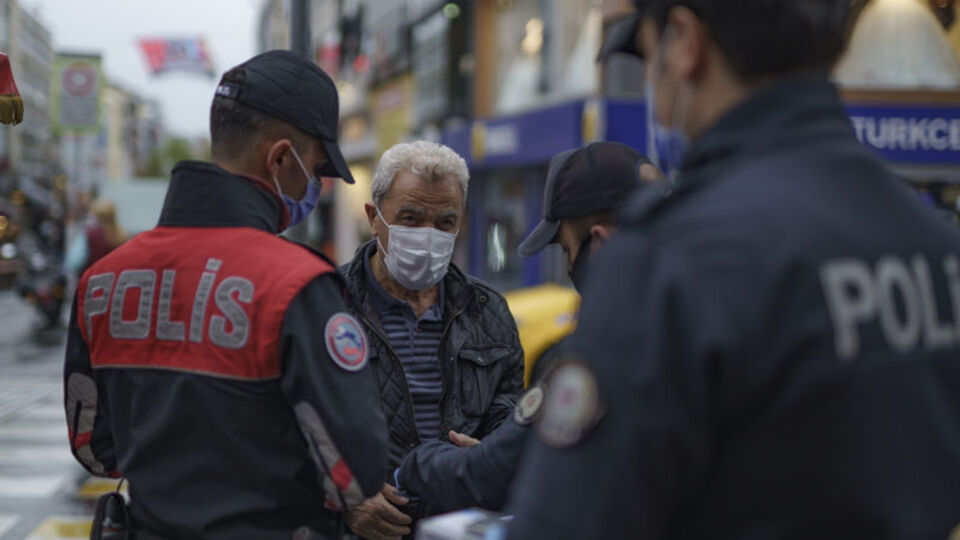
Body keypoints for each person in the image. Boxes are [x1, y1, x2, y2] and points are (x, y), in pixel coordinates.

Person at [506, 1, 960, 538]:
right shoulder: (935, 243)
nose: (658, 85)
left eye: (651, 56)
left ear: (685, 42)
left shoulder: (674, 258)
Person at [64, 50, 387, 539]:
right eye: (316, 170)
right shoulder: (295, 285)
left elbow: (94, 447)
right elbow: (355, 470)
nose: (314, 188)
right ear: (280, 158)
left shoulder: (102, 281)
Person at [393, 142, 661, 514]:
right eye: (410, 219)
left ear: (599, 244)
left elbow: (485, 474)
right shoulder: (720, 308)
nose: (570, 268)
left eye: (567, 252)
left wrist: (415, 465)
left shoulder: (605, 350)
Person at [339, 141, 524, 539]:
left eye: (444, 223)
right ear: (374, 217)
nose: (428, 235)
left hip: (455, 525)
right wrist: (342, 495)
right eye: (410, 218)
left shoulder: (487, 310)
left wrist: (491, 459)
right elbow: (289, 420)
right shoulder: (328, 303)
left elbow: (507, 408)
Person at [65, 198, 125, 276]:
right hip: (112, 281)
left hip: (91, 280)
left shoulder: (89, 233)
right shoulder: (121, 235)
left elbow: (73, 262)